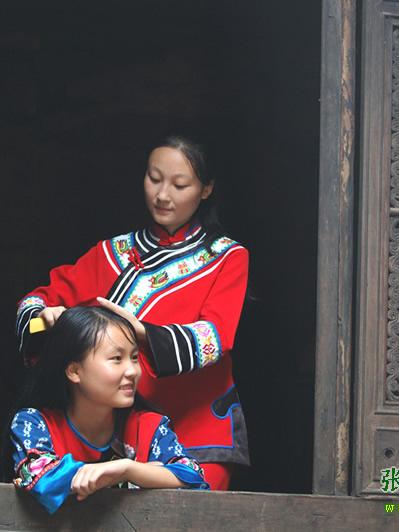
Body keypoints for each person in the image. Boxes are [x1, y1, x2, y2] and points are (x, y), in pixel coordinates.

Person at [16, 136, 249, 490]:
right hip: (119, 431)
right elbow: (35, 302)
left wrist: (143, 333)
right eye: (154, 179)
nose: (162, 195)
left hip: (197, 430)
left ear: (206, 189)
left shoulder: (227, 258)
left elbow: (215, 337)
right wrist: (46, 320)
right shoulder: (112, 252)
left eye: (179, 185)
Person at [10, 306, 207, 514]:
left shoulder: (149, 427)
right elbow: (42, 478)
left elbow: (193, 476)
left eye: (134, 357)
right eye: (116, 359)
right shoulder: (34, 423)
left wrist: (127, 469)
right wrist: (150, 472)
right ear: (74, 371)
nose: (132, 371)